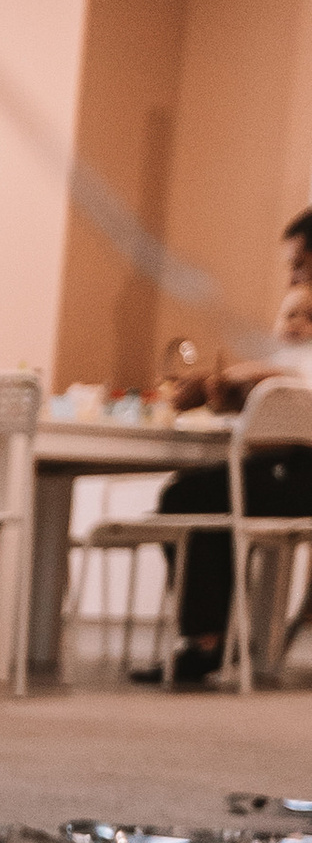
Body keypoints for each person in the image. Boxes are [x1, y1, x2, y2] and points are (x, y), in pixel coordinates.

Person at [140, 209, 312, 687]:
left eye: (299, 264)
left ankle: (207, 641)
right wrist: (227, 392)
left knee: (188, 497)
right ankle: (216, 637)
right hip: (290, 470)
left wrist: (241, 376)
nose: (292, 276)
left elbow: (297, 393)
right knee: (204, 493)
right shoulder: (295, 343)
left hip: (303, 476)